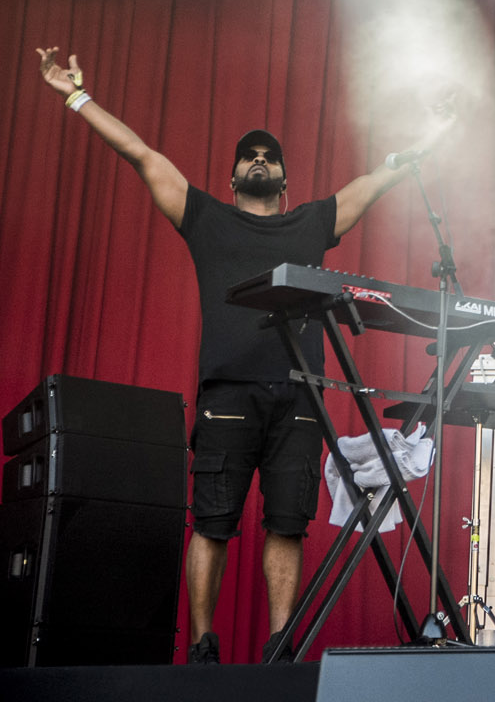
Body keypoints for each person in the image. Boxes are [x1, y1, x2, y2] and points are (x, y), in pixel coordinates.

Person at [36, 47, 444, 664]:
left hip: (300, 396)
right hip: (227, 393)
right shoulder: (204, 217)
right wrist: (75, 96)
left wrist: (434, 133)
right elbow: (141, 154)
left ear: (283, 179)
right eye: (248, 155)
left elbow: (381, 177)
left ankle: (280, 648)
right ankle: (203, 648)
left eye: (269, 156)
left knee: (288, 524)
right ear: (232, 178)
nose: (259, 159)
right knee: (212, 523)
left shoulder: (312, 223)